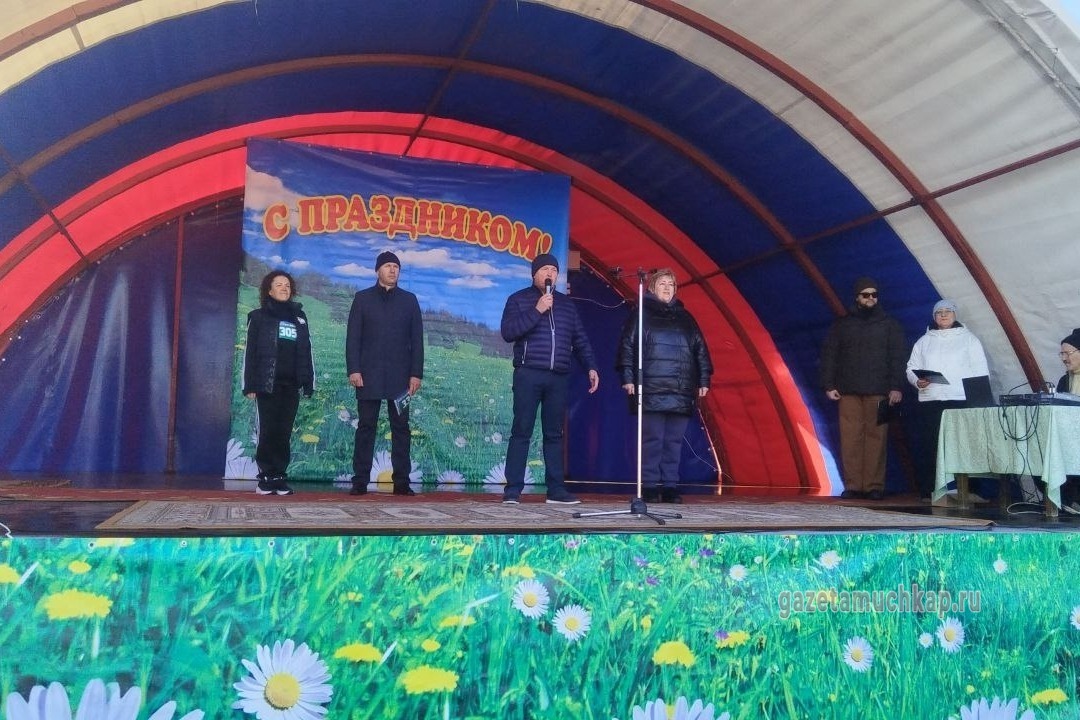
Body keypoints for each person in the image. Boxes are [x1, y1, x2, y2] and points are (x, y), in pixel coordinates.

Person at [500, 253, 600, 505]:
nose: (550, 274)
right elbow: (508, 332)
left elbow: (580, 339)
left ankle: (556, 490)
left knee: (554, 434)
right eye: (544, 269)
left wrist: (590, 366)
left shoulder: (566, 305)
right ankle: (513, 490)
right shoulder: (518, 300)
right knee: (521, 431)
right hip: (528, 373)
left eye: (554, 270)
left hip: (558, 377)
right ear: (534, 274)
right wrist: (537, 310)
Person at [616, 269, 713, 504]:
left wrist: (703, 380)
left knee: (674, 442)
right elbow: (627, 346)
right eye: (662, 283)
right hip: (651, 388)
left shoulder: (686, 318)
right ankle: (649, 486)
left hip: (680, 390)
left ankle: (670, 486)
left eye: (671, 284)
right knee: (653, 441)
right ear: (651, 288)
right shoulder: (641, 314)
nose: (667, 287)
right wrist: (628, 378)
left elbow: (700, 349)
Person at [820, 277, 907, 500]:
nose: (870, 298)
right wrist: (829, 384)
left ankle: (874, 486)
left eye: (874, 294)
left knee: (877, 439)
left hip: (880, 391)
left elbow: (898, 358)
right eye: (865, 294)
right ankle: (853, 486)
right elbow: (830, 355)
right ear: (857, 297)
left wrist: (896, 387)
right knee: (850, 439)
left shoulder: (890, 325)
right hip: (848, 391)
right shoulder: (843, 324)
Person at [346, 251, 424, 496]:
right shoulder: (362, 299)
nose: (392, 270)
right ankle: (360, 481)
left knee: (401, 428)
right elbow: (353, 338)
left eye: (396, 267)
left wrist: (416, 374)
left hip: (401, 379)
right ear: (377, 270)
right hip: (367, 376)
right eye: (388, 266)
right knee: (366, 426)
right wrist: (354, 369)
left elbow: (417, 341)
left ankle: (402, 482)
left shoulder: (409, 300)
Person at [905, 299, 989, 501]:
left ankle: (971, 490)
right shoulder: (924, 341)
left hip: (961, 399)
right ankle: (929, 490)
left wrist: (978, 399)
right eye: (939, 312)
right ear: (934, 317)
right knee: (931, 445)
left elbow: (980, 370)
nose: (943, 315)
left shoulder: (969, 340)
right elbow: (911, 368)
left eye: (948, 311)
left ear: (955, 314)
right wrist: (917, 381)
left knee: (965, 445)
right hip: (932, 400)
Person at [242, 270, 315, 496]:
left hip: (290, 385)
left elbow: (307, 351)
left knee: (284, 432)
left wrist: (308, 381)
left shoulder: (300, 318)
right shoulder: (258, 317)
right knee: (268, 431)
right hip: (267, 384)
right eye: (279, 285)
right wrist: (249, 384)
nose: (284, 288)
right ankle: (266, 477)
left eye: (287, 285)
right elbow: (249, 352)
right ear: (269, 290)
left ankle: (280, 477)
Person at [1056, 328, 1080, 510]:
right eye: (1061, 354)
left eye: (1067, 353)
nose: (1064, 358)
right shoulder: (1063, 381)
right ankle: (1066, 500)